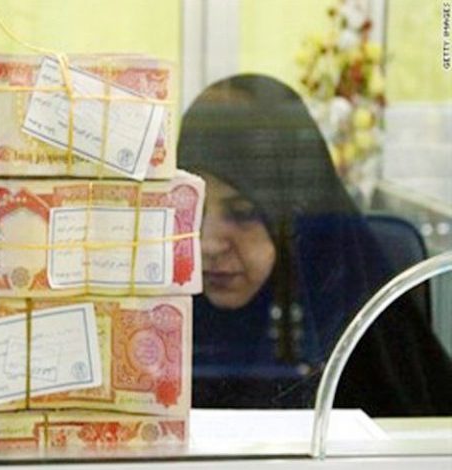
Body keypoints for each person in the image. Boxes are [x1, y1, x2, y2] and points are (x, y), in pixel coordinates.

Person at [178, 74, 452, 416]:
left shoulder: (353, 317)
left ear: (296, 215)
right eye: (192, 209)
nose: (207, 243)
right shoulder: (165, 314)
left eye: (243, 213)